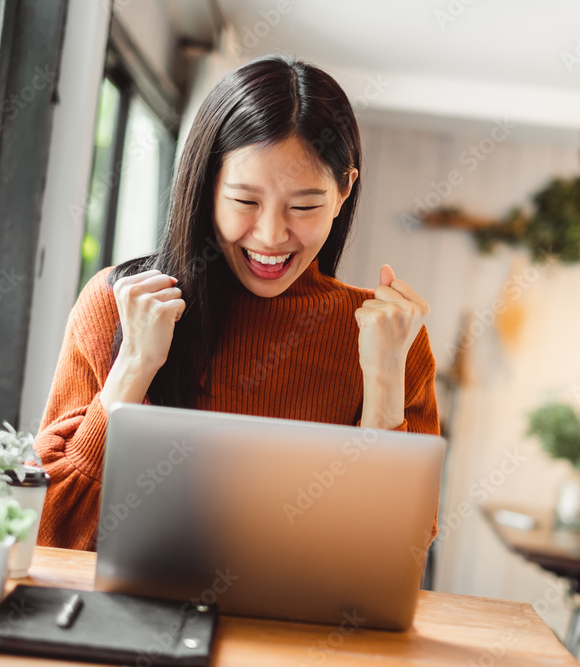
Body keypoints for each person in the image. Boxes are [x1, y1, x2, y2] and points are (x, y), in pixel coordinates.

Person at [35, 55, 439, 551]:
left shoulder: (393, 340)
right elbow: (48, 528)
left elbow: (396, 555)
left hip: (298, 626)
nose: (270, 235)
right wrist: (134, 366)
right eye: (245, 201)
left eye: (305, 206)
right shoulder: (119, 304)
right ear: (206, 187)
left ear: (343, 192)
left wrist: (381, 383)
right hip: (127, 624)